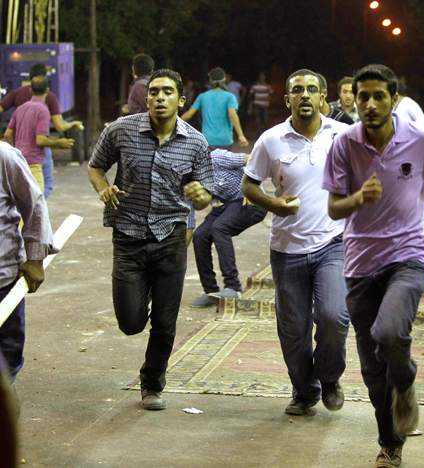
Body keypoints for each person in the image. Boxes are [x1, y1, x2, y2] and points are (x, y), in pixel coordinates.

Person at [323, 64, 424, 468]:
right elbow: (334, 207)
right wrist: (358, 198)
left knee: (390, 331)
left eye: (379, 96)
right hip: (359, 261)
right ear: (354, 100)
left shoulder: (419, 137)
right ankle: (390, 444)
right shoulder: (344, 144)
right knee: (374, 370)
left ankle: (407, 379)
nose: (370, 104)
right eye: (363, 97)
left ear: (394, 99)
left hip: (409, 253)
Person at [87, 69, 214, 411]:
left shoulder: (196, 143)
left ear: (180, 100)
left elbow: (204, 199)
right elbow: (95, 167)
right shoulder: (121, 130)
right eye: (154, 91)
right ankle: (137, 305)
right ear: (146, 98)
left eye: (168, 92)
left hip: (170, 238)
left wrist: (199, 196)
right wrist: (104, 189)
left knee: (165, 320)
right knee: (130, 322)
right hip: (127, 236)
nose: (160, 97)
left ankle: (152, 382)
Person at [241, 69, 350, 416]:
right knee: (293, 329)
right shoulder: (271, 140)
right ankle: (305, 391)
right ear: (287, 100)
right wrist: (272, 204)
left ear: (323, 99)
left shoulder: (345, 136)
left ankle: (330, 378)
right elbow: (248, 185)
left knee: (334, 316)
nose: (305, 95)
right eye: (297, 90)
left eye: (312, 90)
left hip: (334, 244)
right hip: (286, 250)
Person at [0, 140, 58, 386]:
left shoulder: (4, 157)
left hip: (3, 278)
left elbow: (34, 207)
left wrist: (35, 259)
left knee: (8, 348)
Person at [190, 149, 267, 307]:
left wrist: (253, 188)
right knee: (200, 235)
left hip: (251, 202)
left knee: (219, 227)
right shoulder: (191, 178)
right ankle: (210, 291)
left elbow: (252, 159)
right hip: (231, 204)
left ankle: (233, 287)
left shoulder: (217, 157)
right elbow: (191, 211)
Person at [0, 62, 84, 199]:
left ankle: (27, 214)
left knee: (20, 190)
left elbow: (7, 131)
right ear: (46, 86)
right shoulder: (48, 100)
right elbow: (59, 126)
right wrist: (71, 126)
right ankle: (34, 216)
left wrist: (12, 149)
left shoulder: (17, 96)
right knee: (43, 188)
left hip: (19, 151)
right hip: (38, 153)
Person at [181, 67, 248, 148]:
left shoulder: (202, 96)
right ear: (224, 80)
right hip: (225, 141)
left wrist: (174, 128)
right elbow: (232, 114)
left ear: (210, 81)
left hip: (208, 140)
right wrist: (241, 135)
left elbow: (188, 114)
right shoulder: (230, 97)